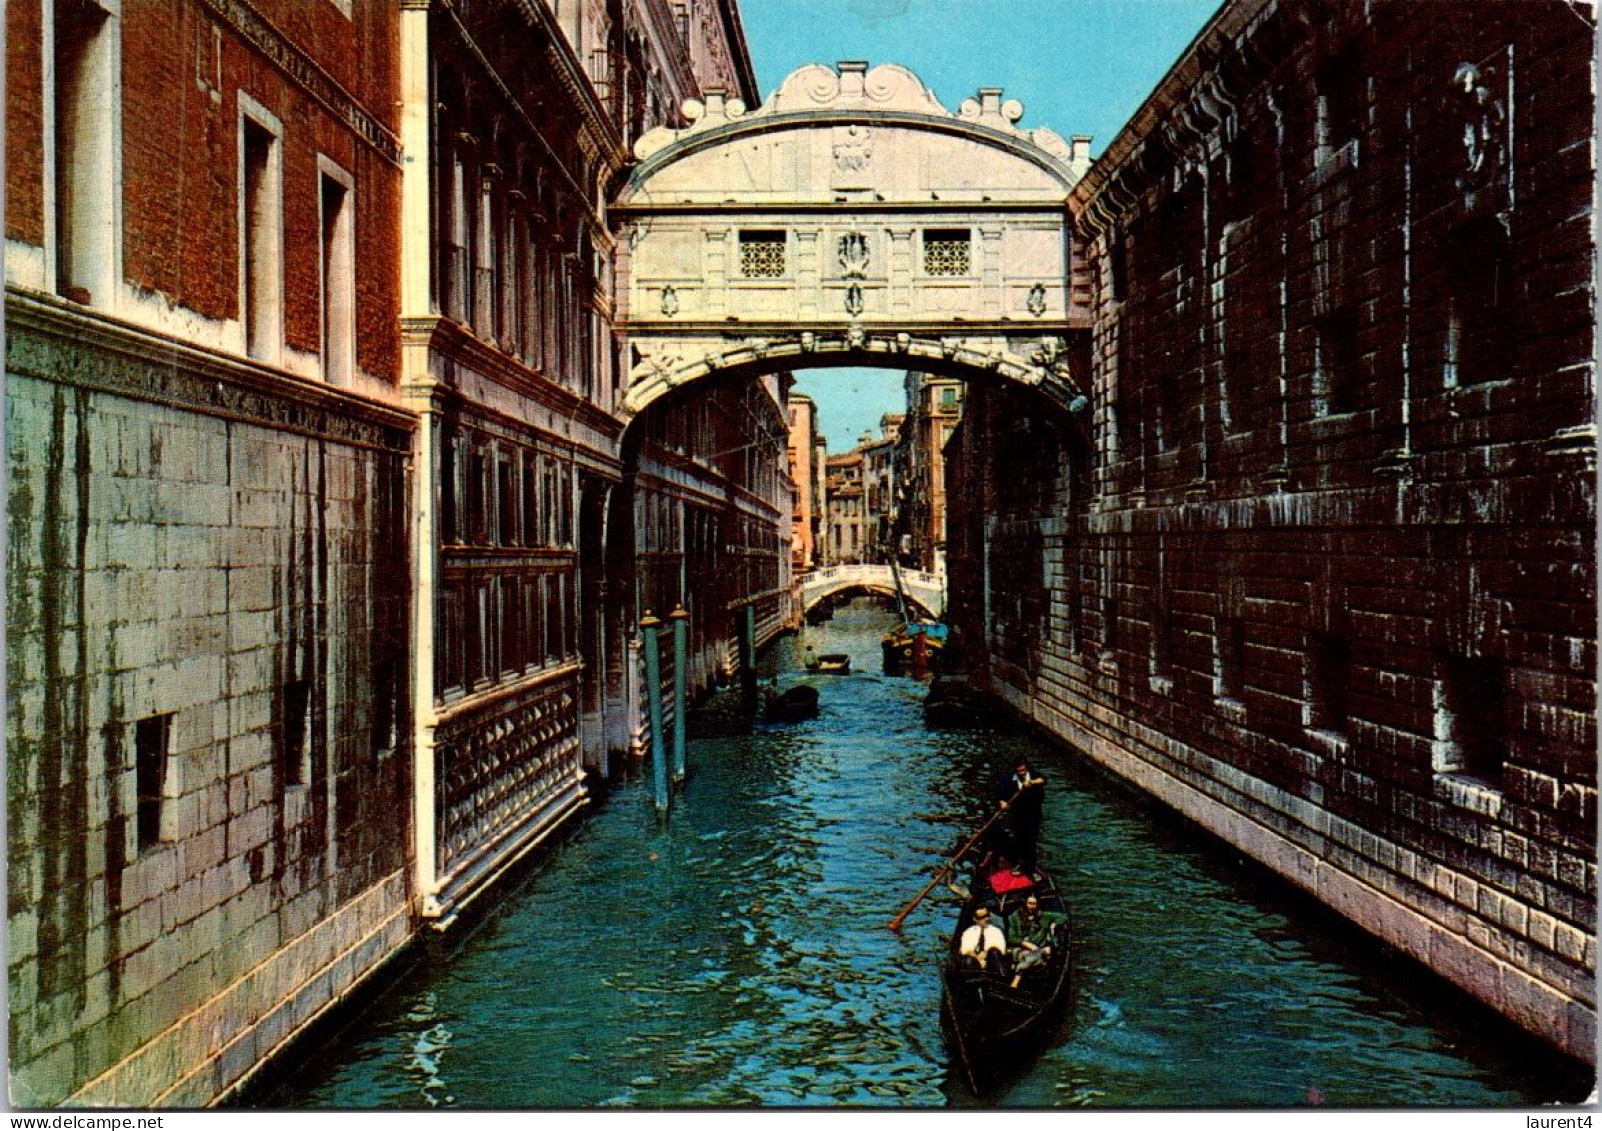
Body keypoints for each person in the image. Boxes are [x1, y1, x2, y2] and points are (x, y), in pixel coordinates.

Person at [995, 755, 1046, 875]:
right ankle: (1020, 862)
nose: (1022, 773)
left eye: (1024, 770)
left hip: (1033, 814)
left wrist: (1031, 782)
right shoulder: (1008, 779)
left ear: (1026, 768)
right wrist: (1002, 802)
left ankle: (1030, 867)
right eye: (1019, 771)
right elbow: (1000, 793)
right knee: (1019, 838)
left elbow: (1044, 779)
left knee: (1031, 840)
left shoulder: (1033, 775)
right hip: (1017, 814)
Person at [1006, 894, 1063, 986]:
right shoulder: (1015, 916)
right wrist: (1025, 943)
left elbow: (1064, 917)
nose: (1032, 906)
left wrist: (1055, 924)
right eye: (1029, 903)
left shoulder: (1044, 916)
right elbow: (1011, 938)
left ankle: (1016, 979)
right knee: (1031, 955)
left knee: (1035, 955)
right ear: (1025, 903)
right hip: (1020, 950)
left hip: (1037, 950)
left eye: (1034, 904)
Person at [957, 906, 1007, 975]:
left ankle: (1001, 978)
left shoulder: (996, 931)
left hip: (991, 961)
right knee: (968, 959)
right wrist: (978, 958)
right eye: (981, 917)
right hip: (975, 961)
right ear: (975, 919)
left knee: (994, 952)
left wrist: (986, 953)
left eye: (987, 916)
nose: (986, 919)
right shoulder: (969, 932)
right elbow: (965, 950)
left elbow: (1001, 948)